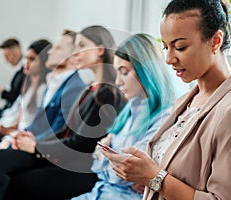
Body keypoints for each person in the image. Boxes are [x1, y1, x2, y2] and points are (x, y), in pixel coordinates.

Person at [102, 0, 231, 199]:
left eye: (180, 47)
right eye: (165, 48)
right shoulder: (184, 101)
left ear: (215, 41)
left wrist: (153, 177)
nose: (169, 59)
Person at [0, 25, 126, 200]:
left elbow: (81, 143)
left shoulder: (107, 93)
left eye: (81, 46)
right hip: (62, 155)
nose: (75, 52)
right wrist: (33, 141)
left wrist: (37, 148)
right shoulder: (91, 89)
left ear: (99, 50)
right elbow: (65, 131)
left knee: (9, 175)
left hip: (78, 167)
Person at [0, 30, 88, 200]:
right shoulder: (56, 83)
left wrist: (23, 141)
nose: (50, 51)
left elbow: (59, 131)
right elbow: (36, 124)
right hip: (30, 142)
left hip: (40, 150)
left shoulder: (73, 88)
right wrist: (15, 137)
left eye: (57, 48)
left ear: (72, 55)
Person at [72, 33, 174, 200]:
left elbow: (125, 173)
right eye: (116, 73)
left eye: (124, 72)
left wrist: (105, 152)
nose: (118, 82)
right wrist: (105, 156)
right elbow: (100, 168)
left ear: (146, 71)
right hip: (99, 191)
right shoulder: (129, 110)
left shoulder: (163, 118)